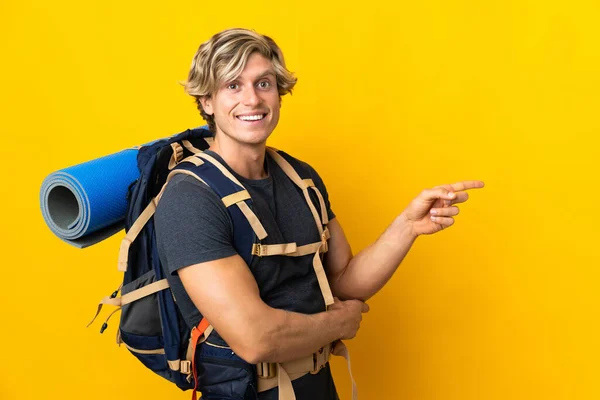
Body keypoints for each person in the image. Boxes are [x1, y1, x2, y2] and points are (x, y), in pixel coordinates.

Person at [154, 28, 484, 400]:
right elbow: (255, 339)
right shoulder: (191, 198)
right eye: (233, 85)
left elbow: (342, 282)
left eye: (263, 83)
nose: (252, 99)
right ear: (207, 101)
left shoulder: (301, 178)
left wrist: (406, 226)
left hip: (318, 386)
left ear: (279, 93)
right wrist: (338, 322)